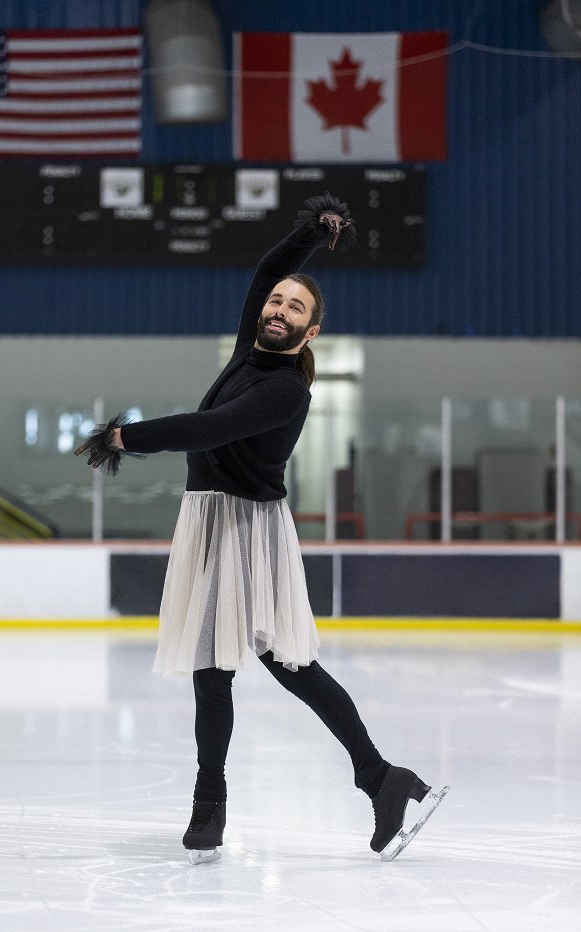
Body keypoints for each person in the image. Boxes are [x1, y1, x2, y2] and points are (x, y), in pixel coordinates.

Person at [75, 192, 448, 863]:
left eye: (293, 308)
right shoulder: (252, 345)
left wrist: (128, 437)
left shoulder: (284, 390)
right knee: (232, 666)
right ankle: (374, 778)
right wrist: (312, 230)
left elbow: (208, 429)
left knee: (265, 663)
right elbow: (265, 271)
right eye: (276, 301)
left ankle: (223, 803)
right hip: (210, 519)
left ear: (309, 335)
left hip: (248, 530)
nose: (277, 309)